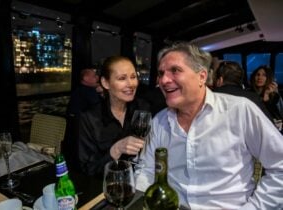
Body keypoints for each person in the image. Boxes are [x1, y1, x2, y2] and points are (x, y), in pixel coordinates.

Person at [135, 42, 283, 209]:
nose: (163, 80)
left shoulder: (239, 110)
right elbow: (146, 172)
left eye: (175, 70)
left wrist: (254, 207)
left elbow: (280, 166)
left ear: (202, 76)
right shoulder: (159, 121)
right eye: (161, 73)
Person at [77, 56, 150, 176]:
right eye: (122, 78)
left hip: (140, 179)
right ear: (105, 83)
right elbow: (88, 169)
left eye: (133, 77)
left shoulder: (143, 108)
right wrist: (116, 149)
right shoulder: (89, 118)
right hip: (106, 185)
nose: (131, 84)